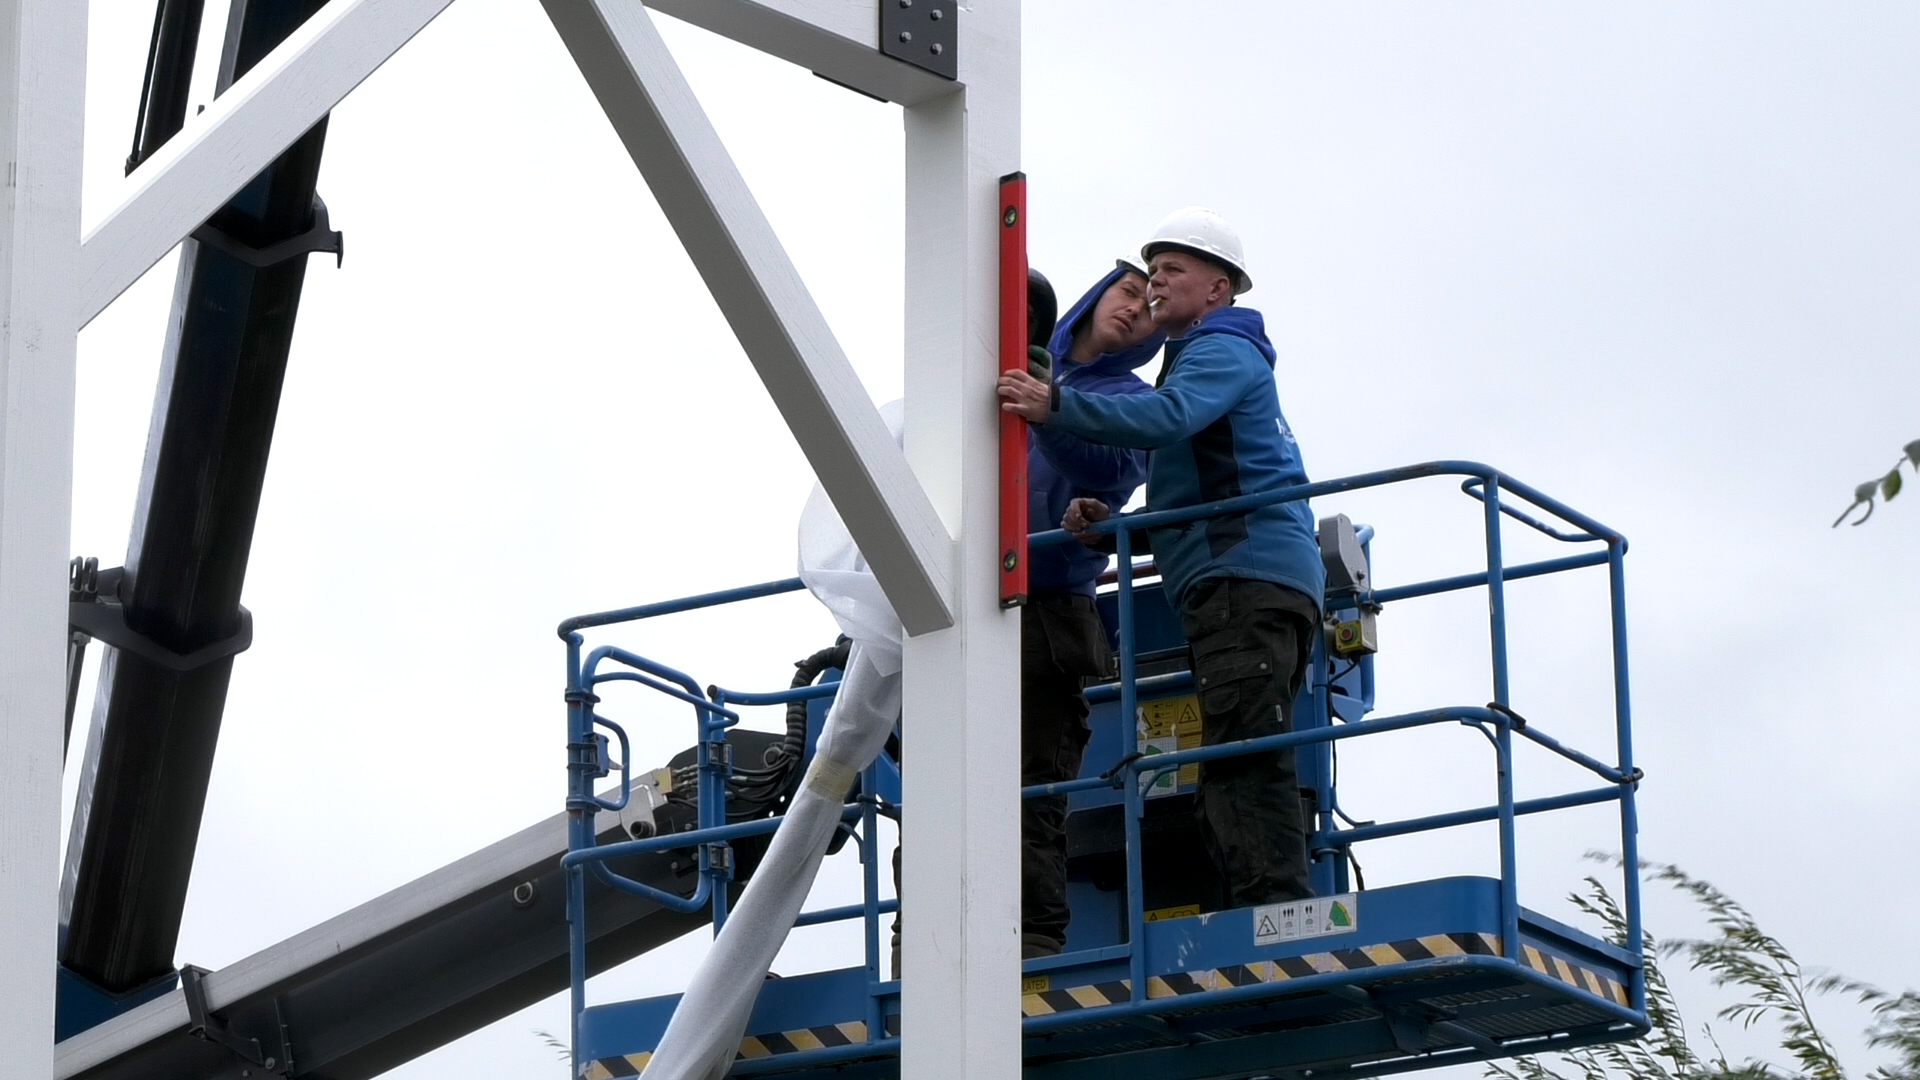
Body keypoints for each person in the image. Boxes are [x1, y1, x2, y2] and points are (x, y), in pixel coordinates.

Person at [997, 207, 1326, 910]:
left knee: (1242, 758)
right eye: (1148, 274)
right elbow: (1213, 485)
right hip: (1243, 571)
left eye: (1171, 271)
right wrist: (1120, 531)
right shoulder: (1207, 357)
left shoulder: (1216, 352)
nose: (1154, 286)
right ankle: (1262, 908)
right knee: (1232, 758)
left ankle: (1273, 918)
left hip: (1244, 576)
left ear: (1218, 287)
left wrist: (1052, 405)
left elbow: (1165, 421)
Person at [1018, 261, 1162, 956]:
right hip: (956, 606)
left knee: (1030, 786)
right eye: (1128, 291)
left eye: (1151, 307)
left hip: (1047, 611)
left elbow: (1112, 469)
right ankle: (917, 949)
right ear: (1096, 296)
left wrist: (1047, 413)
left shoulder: (1130, 401)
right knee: (934, 796)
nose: (1136, 308)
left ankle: (1035, 944)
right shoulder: (1016, 368)